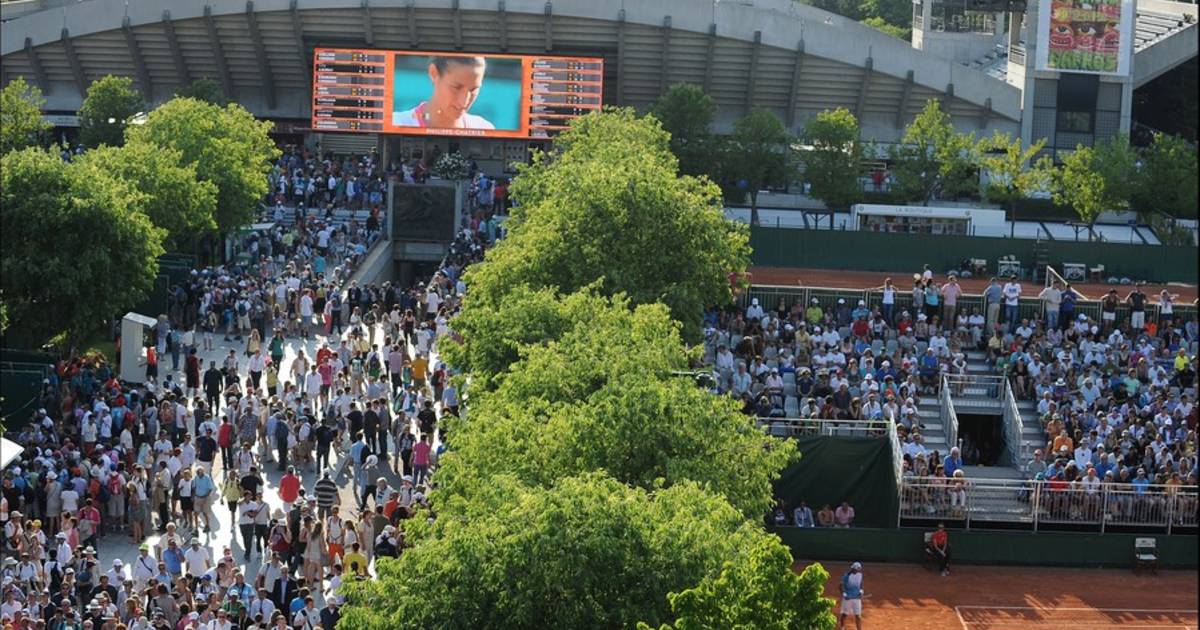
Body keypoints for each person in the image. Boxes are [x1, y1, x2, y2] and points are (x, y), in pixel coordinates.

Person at [392, 56, 496, 129]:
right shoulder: (395, 123)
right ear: (434, 74)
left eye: (473, 89)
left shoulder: (485, 128)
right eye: (456, 87)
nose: (463, 102)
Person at [838, 562, 866, 630]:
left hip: (857, 599)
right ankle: (842, 628)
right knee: (845, 615)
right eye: (856, 569)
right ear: (853, 568)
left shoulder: (860, 575)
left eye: (859, 569)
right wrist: (844, 595)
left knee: (858, 616)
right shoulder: (846, 576)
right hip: (847, 599)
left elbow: (861, 584)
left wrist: (861, 591)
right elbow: (840, 586)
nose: (858, 570)